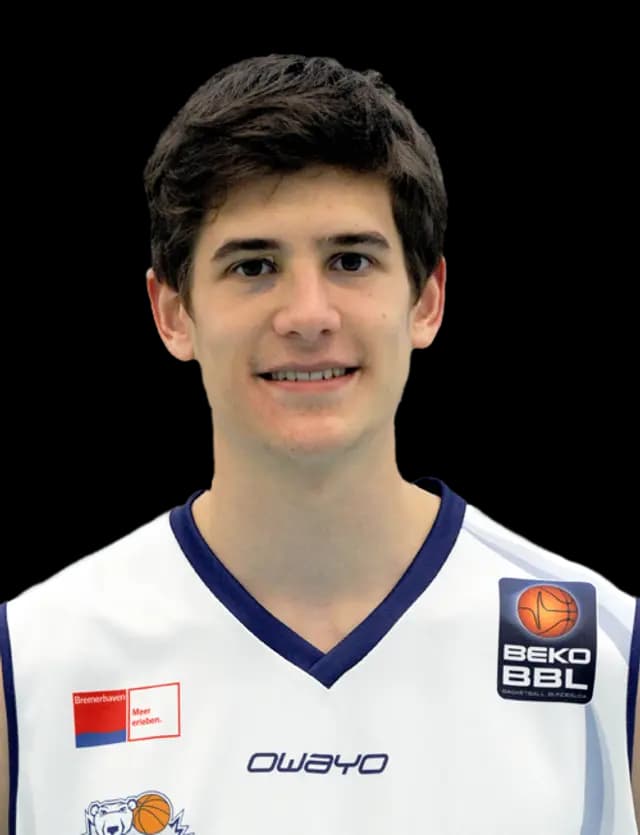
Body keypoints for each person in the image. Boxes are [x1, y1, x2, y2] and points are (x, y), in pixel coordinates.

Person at [0, 53, 638, 835]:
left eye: (350, 260)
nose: (307, 314)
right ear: (172, 313)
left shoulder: (607, 649)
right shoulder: (35, 660)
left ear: (427, 299)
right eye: (254, 265)